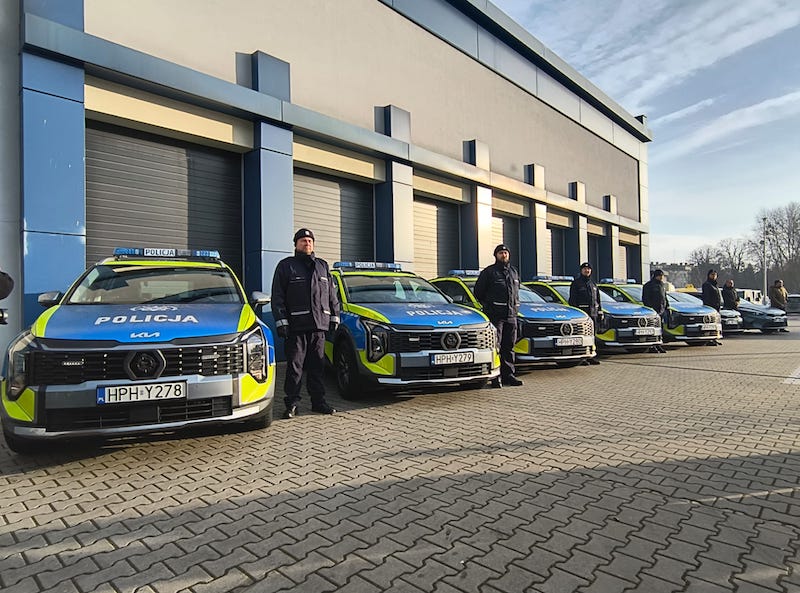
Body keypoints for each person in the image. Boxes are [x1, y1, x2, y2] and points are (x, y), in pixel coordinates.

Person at [271, 228, 340, 418]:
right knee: (295, 367)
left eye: (310, 241)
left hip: (319, 326)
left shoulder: (322, 266)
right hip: (296, 327)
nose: (307, 243)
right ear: (296, 244)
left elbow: (331, 295)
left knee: (317, 367)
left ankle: (318, 402)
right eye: (303, 240)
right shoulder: (286, 266)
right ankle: (292, 404)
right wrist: (282, 322)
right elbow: (277, 296)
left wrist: (334, 317)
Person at [474, 244, 523, 388]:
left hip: (511, 315)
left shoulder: (514, 272)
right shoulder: (489, 272)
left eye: (506, 253)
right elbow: (478, 292)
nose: (504, 255)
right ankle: (496, 376)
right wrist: (490, 305)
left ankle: (509, 375)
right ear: (496, 255)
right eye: (501, 253)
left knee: (509, 346)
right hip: (496, 316)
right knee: (496, 346)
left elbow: (516, 292)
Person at [568, 262, 601, 365]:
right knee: (582, 337)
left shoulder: (593, 284)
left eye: (588, 269)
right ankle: (581, 358)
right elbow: (572, 301)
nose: (587, 271)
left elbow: (598, 300)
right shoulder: (576, 284)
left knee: (592, 336)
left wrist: (600, 312)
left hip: (593, 314)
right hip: (582, 315)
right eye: (585, 269)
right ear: (581, 270)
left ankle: (591, 355)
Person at [641, 269, 668, 353]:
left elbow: (664, 297)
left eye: (662, 276)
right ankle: (652, 346)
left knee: (660, 329)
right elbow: (646, 298)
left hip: (661, 310)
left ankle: (659, 344)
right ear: (656, 276)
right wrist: (650, 308)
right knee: (653, 328)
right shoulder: (648, 285)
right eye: (660, 276)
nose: (661, 277)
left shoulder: (662, 285)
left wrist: (667, 306)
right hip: (653, 311)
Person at [701, 269, 723, 345]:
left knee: (716, 324)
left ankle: (714, 338)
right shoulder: (707, 284)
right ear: (709, 275)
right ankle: (708, 340)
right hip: (710, 308)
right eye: (712, 274)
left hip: (716, 308)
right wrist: (708, 306)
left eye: (715, 275)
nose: (714, 276)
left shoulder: (715, 285)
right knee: (709, 324)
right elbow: (706, 297)